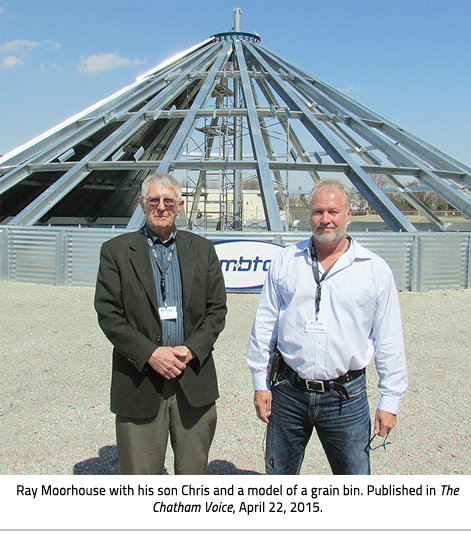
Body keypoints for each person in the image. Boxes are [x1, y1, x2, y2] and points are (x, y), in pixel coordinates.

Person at [247, 178, 408, 475]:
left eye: (333, 211)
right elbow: (265, 325)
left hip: (345, 397)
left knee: (353, 473)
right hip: (288, 391)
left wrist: (391, 399)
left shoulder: (374, 270)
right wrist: (260, 383)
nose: (325, 219)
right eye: (318, 212)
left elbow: (389, 340)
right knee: (279, 473)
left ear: (349, 214)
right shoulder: (286, 261)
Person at [95, 171, 227, 475]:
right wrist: (151, 354)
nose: (161, 206)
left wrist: (192, 349)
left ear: (180, 206)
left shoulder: (202, 249)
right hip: (140, 381)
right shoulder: (116, 252)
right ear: (142, 204)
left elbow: (216, 309)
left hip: (192, 378)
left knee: (193, 471)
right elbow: (109, 314)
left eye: (169, 200)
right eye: (154, 200)